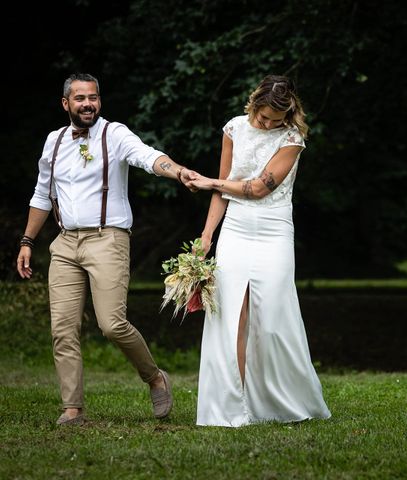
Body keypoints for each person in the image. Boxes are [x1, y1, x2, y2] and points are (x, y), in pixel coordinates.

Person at [16, 73, 198, 425]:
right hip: (65, 242)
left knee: (112, 324)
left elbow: (147, 157)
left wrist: (177, 172)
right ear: (65, 103)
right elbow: (41, 195)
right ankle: (72, 408)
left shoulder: (114, 134)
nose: (88, 104)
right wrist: (27, 240)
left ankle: (155, 377)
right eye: (80, 98)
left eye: (94, 97)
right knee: (62, 328)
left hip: (107, 238)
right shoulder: (53, 142)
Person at [187, 74, 331, 427]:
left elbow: (258, 188)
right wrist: (206, 236)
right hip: (235, 230)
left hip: (274, 230)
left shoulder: (292, 139)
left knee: (272, 320)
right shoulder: (234, 128)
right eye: (262, 117)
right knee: (230, 315)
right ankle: (232, 408)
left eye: (273, 120)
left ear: (287, 115)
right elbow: (225, 191)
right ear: (253, 104)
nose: (265, 124)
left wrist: (209, 182)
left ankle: (283, 403)